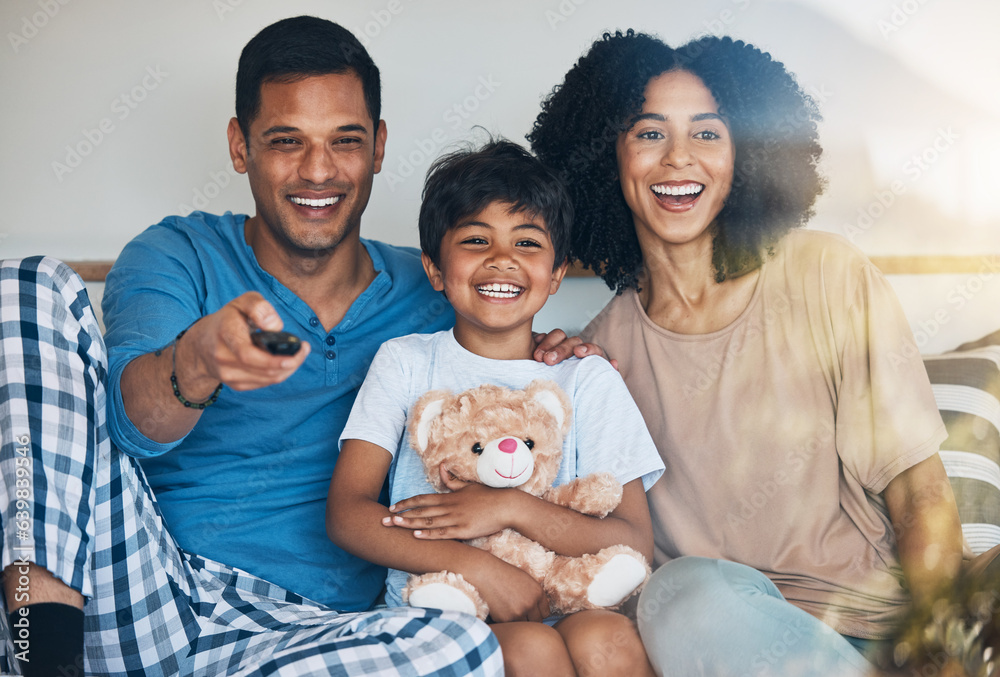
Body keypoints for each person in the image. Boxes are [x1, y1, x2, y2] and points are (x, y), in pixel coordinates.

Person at [0, 16, 591, 677]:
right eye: (287, 141)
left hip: (311, 636)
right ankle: (38, 652)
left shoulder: (438, 288)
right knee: (25, 284)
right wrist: (197, 362)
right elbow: (131, 427)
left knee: (463, 648)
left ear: (379, 147)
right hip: (147, 590)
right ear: (239, 145)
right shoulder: (178, 254)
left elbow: (509, 352)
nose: (319, 171)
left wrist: (552, 348)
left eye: (345, 141)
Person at [528, 31, 983, 675]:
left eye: (708, 134)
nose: (678, 158)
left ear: (748, 156)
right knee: (678, 591)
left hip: (880, 631)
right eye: (650, 133)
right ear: (609, 159)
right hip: (715, 637)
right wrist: (540, 368)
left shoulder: (827, 273)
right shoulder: (595, 360)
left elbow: (922, 497)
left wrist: (939, 648)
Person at [326, 139, 665, 676]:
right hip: (445, 604)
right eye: (476, 239)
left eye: (527, 242)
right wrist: (475, 566)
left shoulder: (585, 378)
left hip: (566, 598)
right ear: (435, 270)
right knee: (530, 649)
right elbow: (348, 514)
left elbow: (632, 540)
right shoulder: (406, 362)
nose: (502, 259)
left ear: (555, 276)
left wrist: (510, 508)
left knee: (609, 639)